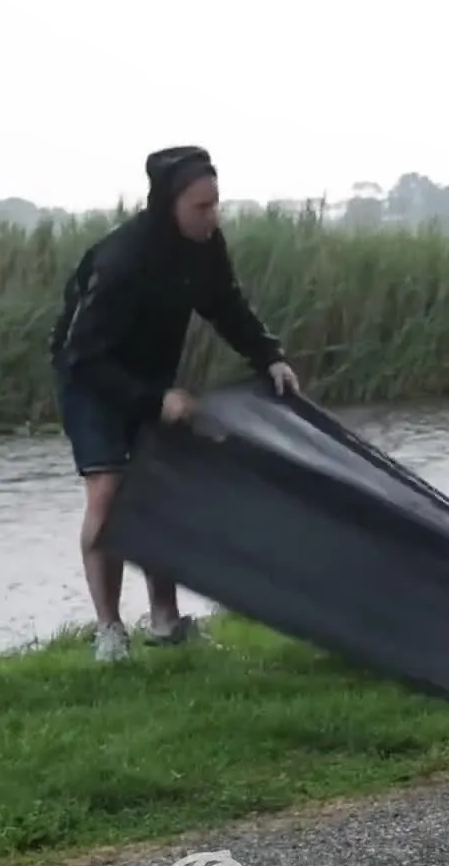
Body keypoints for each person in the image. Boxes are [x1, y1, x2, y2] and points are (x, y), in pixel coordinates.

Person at [49, 146, 302, 663]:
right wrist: (153, 399)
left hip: (148, 375)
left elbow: (226, 306)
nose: (213, 216)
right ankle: (110, 631)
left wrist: (269, 356)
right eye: (202, 207)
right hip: (90, 377)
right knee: (108, 493)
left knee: (158, 488)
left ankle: (166, 621)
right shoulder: (122, 260)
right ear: (170, 205)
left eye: (216, 204)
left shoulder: (204, 247)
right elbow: (82, 356)